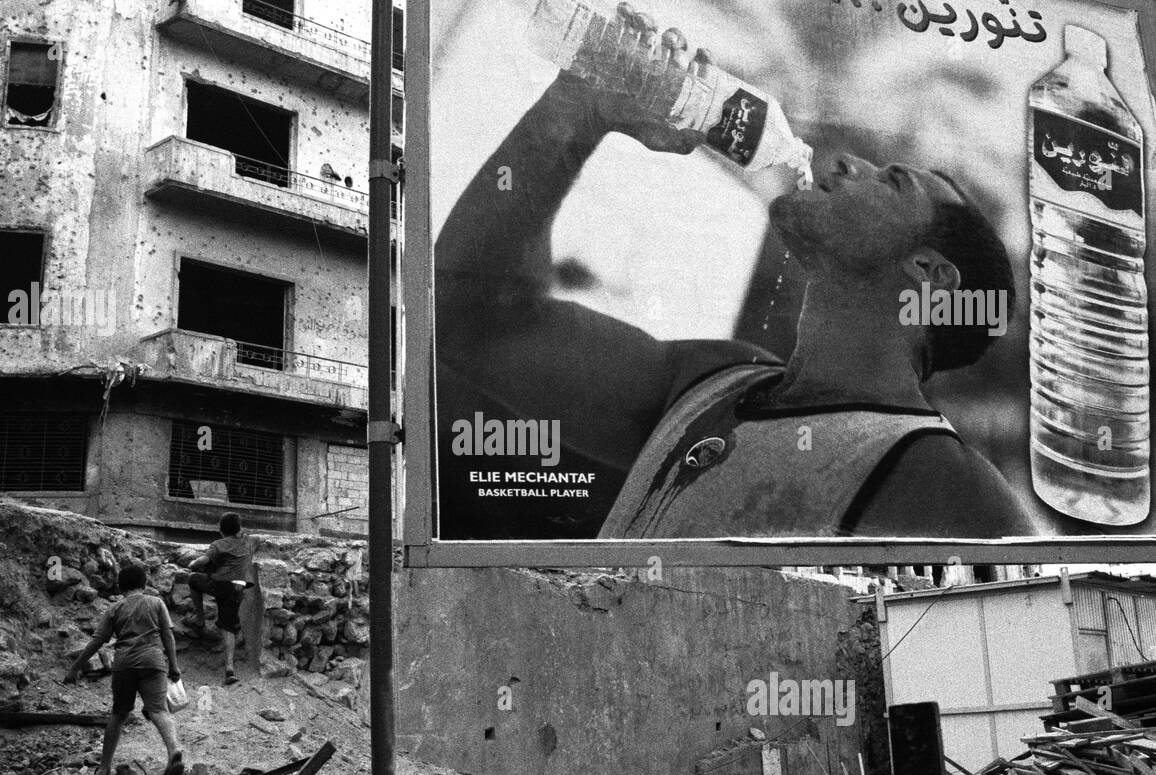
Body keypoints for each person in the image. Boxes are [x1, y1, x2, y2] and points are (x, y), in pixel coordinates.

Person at [435, 12, 1034, 540]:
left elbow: (1005, 617)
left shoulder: (936, 476)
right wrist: (576, 113)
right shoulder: (713, 382)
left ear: (929, 275)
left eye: (893, 181)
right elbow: (472, 317)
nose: (851, 162)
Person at [64, 562, 184, 775]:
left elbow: (98, 640)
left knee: (119, 714)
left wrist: (75, 667)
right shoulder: (156, 603)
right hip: (152, 660)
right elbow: (168, 636)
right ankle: (174, 750)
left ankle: (103, 768)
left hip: (124, 663)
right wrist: (174, 666)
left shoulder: (114, 608)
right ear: (144, 584)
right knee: (158, 710)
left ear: (121, 587)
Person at [184, 511, 256, 685]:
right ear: (239, 529)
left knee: (193, 579)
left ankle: (200, 618)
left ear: (221, 531)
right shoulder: (248, 543)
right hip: (238, 587)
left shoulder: (218, 544)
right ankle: (229, 668)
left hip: (220, 586)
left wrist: (192, 564)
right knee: (228, 627)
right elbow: (242, 533)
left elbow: (203, 560)